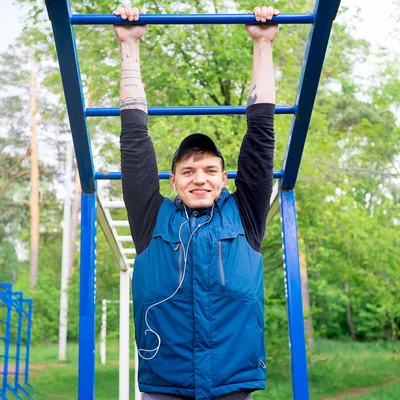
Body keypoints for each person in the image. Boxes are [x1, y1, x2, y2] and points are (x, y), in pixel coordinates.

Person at [114, 5, 279, 400]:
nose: (199, 178)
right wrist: (129, 46)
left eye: (209, 170)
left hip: (233, 386)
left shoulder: (245, 216)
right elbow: (134, 140)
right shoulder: (153, 219)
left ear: (225, 179)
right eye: (188, 172)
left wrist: (263, 45)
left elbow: (261, 135)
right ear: (173, 182)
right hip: (164, 388)